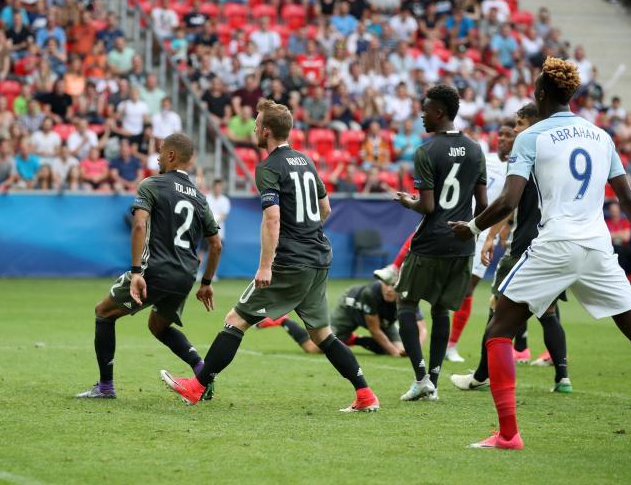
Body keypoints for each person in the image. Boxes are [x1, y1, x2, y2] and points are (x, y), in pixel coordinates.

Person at [450, 57, 631, 450]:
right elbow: (630, 199)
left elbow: (508, 200)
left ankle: (509, 435)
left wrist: (473, 227)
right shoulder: (601, 136)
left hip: (556, 244)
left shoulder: (531, 137)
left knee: (498, 330)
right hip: (598, 246)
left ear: (542, 94)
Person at [160, 99, 380, 412]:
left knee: (235, 320)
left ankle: (196, 387)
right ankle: (365, 394)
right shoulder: (305, 160)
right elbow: (326, 207)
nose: (253, 130)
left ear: (265, 131)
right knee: (321, 333)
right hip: (318, 257)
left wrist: (266, 266)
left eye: (256, 125)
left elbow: (272, 218)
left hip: (290, 262)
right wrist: (306, 234)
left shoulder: (269, 167)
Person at [77, 133, 223, 400]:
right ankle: (203, 373)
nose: (156, 157)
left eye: (159, 151)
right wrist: (206, 283)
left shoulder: (152, 184)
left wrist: (135, 273)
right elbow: (216, 245)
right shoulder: (201, 198)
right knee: (158, 326)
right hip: (185, 275)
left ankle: (106, 387)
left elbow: (140, 225)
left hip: (155, 269)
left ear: (170, 155)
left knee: (103, 313)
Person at [451, 102, 571, 393]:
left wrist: (483, 232)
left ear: (532, 126)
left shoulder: (525, 158)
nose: (514, 131)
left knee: (497, 312)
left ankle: (480, 375)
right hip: (558, 243)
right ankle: (563, 378)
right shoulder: (557, 158)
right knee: (549, 312)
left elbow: (508, 202)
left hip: (526, 247)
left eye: (519, 125)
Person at [394, 84, 488, 402]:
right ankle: (432, 380)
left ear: (439, 112)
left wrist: (408, 202)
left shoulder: (426, 151)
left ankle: (422, 377)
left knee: (405, 303)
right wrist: (473, 230)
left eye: (425, 109)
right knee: (441, 311)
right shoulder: (476, 150)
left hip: (431, 242)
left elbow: (429, 206)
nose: (421, 115)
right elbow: (484, 206)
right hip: (463, 244)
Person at [445, 117, 513, 363]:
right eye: (501, 135)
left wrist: (495, 235)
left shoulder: (519, 169)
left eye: (509, 136)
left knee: (468, 287)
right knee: (441, 280)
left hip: (484, 233)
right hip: (462, 223)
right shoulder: (486, 160)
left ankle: (451, 346)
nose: (503, 139)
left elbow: (508, 208)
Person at [257, 277, 428, 356]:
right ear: (381, 282)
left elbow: (422, 328)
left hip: (380, 317)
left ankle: (351, 339)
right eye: (386, 284)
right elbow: (375, 330)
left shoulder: (406, 294)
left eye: (394, 285)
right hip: (350, 309)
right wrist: (394, 352)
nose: (390, 289)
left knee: (397, 349)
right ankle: (283, 320)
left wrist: (414, 351)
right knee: (315, 348)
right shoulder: (371, 293)